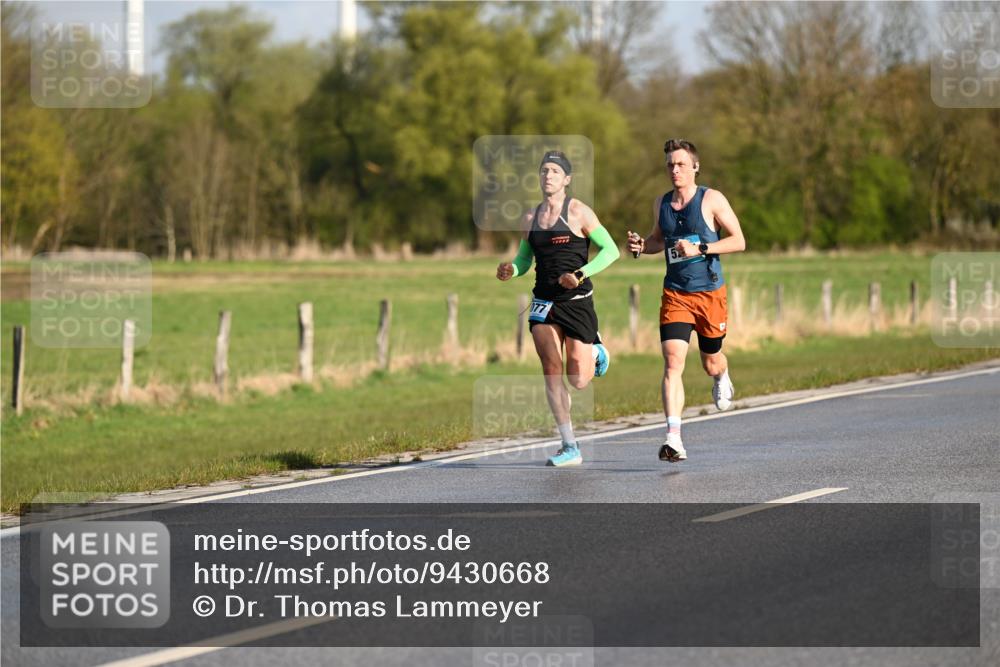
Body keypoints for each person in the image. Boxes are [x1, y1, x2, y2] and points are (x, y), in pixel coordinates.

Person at [497, 150, 620, 467]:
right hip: (543, 301)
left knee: (578, 380)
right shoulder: (530, 218)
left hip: (576, 301)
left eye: (554, 171)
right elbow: (525, 259)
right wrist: (512, 269)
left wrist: (580, 274)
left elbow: (611, 251)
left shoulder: (579, 212)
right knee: (551, 369)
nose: (547, 175)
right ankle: (569, 446)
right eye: (544, 170)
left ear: (566, 179)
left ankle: (596, 352)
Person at [627, 139, 746, 463]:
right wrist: (642, 246)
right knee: (672, 362)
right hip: (676, 293)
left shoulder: (711, 199)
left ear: (695, 166)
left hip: (709, 293)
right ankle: (674, 438)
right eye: (670, 164)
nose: (674, 169)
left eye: (680, 164)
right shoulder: (661, 203)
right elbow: (658, 240)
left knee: (711, 361)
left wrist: (701, 249)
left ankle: (721, 376)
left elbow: (739, 240)